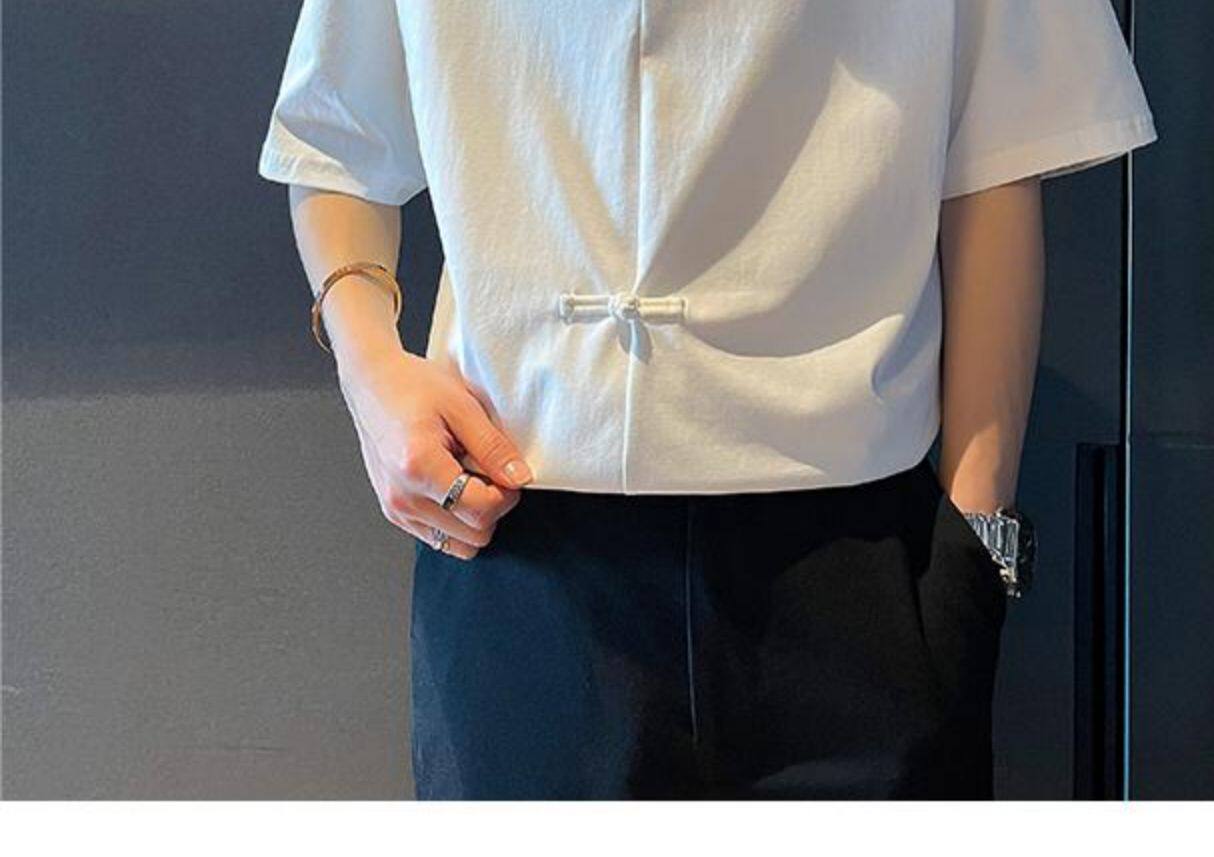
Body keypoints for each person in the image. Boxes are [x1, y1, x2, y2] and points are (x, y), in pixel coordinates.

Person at [257, 0, 1155, 800]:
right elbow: (336, 139)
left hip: (861, 570)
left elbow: (998, 152)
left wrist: (976, 544)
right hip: (518, 549)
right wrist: (372, 377)